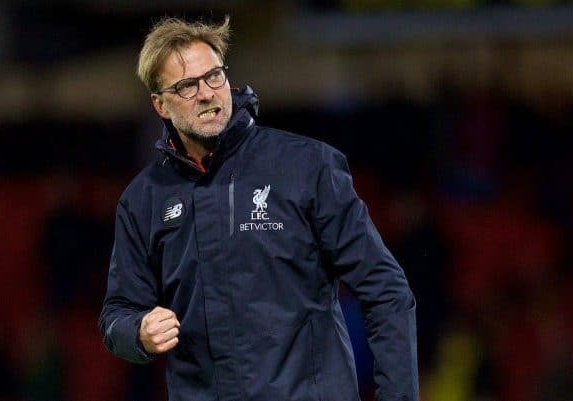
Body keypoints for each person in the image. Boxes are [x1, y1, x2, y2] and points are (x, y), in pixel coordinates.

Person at [98, 16, 419, 401]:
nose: (206, 93)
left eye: (214, 76)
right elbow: (117, 313)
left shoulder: (306, 166)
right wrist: (138, 333)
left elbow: (386, 291)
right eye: (187, 86)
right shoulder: (143, 199)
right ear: (160, 105)